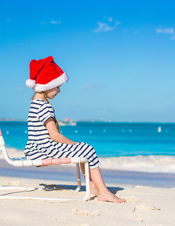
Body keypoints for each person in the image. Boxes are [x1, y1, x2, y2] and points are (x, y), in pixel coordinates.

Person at [24, 56, 126, 203]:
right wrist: (73, 144)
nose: (59, 90)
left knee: (83, 149)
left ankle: (92, 186)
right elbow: (54, 135)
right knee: (87, 149)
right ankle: (103, 192)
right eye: (57, 86)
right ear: (47, 85)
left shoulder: (34, 104)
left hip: (35, 148)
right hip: (44, 149)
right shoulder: (44, 106)